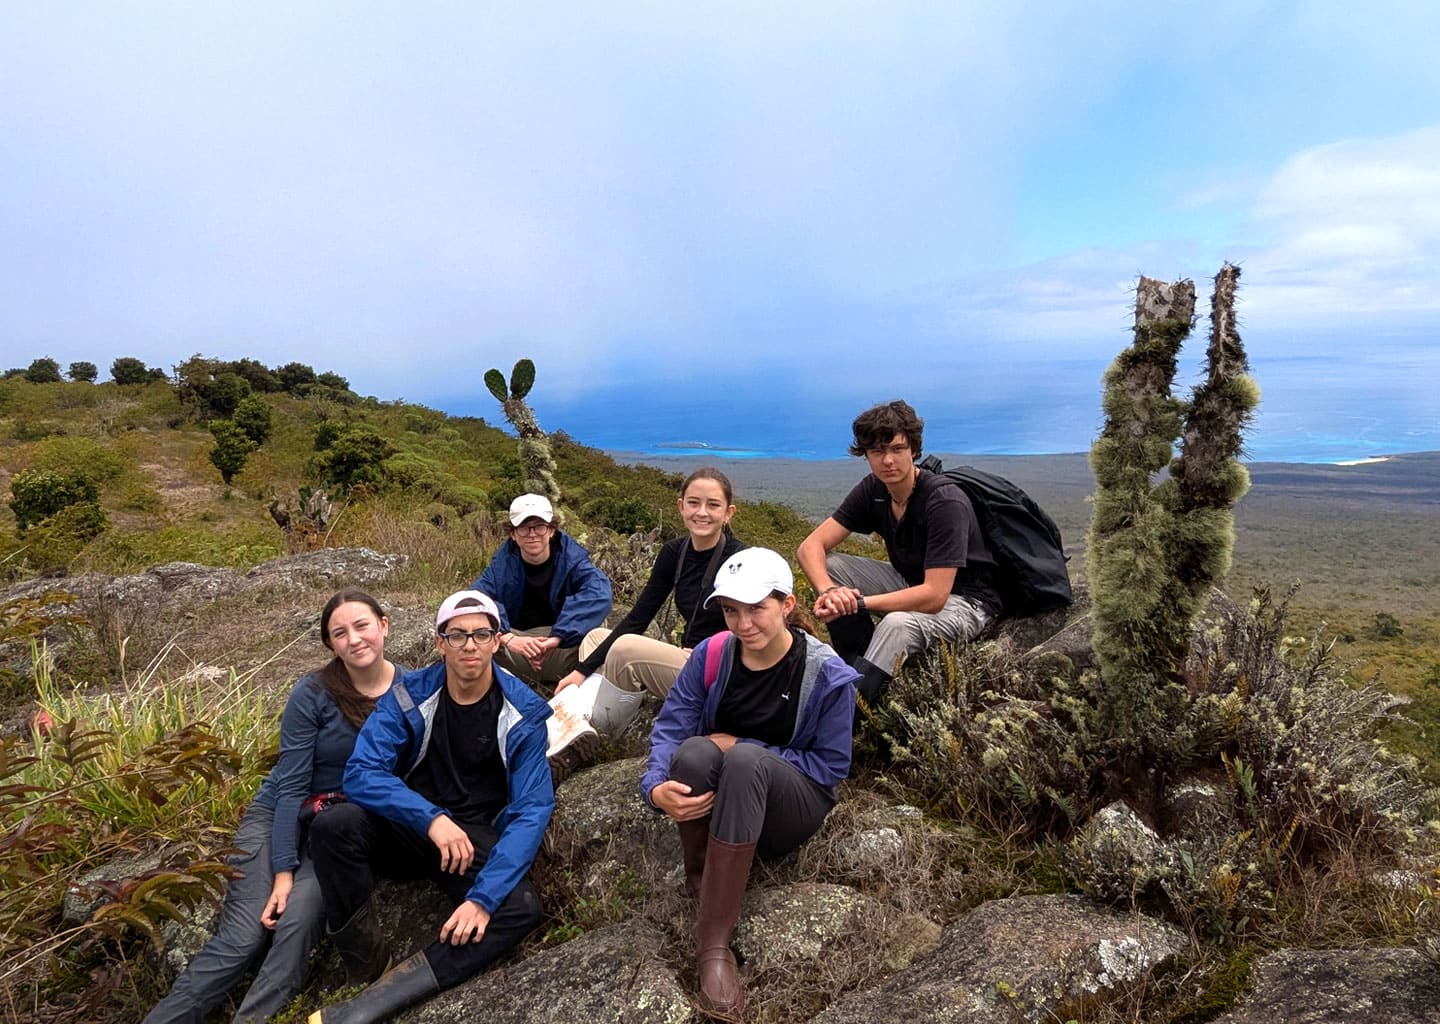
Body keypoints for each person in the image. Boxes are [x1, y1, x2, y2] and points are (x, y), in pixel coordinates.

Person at [145, 590, 399, 1024]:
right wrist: (282, 872)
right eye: (340, 633)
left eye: (361, 626)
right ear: (330, 644)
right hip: (278, 816)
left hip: (335, 829)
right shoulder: (313, 693)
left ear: (384, 625)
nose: (354, 639)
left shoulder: (411, 688)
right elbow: (290, 786)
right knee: (244, 936)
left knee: (297, 927)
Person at [304, 590, 552, 1024]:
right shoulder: (409, 696)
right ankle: (366, 965)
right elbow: (361, 772)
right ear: (440, 643)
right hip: (412, 827)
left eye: (481, 634)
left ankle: (372, 1003)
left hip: (474, 840)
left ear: (498, 640)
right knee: (334, 824)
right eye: (457, 635)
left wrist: (483, 898)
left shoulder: (523, 714)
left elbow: (532, 810)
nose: (470, 645)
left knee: (519, 908)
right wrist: (431, 817)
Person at [641, 548, 856, 1016]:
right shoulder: (713, 654)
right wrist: (656, 787)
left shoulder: (826, 675)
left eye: (757, 608)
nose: (743, 624)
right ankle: (704, 879)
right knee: (695, 752)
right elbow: (673, 727)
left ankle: (713, 945)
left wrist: (742, 745)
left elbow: (830, 768)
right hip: (729, 800)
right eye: (731, 610)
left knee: (742, 758)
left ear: (787, 604)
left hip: (791, 806)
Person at [796, 399, 1002, 703]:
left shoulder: (943, 501)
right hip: (911, 582)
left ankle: (855, 712)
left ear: (914, 450)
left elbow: (934, 596)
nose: (887, 460)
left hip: (967, 602)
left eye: (897, 449)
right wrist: (830, 592)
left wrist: (859, 604)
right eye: (877, 452)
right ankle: (857, 661)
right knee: (830, 565)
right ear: (866, 455)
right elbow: (809, 547)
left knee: (896, 624)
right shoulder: (875, 490)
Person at [549, 468, 745, 757]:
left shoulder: (741, 560)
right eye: (693, 503)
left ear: (728, 513)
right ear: (680, 506)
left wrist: (711, 650)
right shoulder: (674, 553)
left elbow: (754, 627)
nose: (701, 512)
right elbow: (639, 617)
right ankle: (579, 717)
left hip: (720, 669)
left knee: (624, 649)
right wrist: (581, 671)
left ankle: (596, 735)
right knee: (596, 638)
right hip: (689, 660)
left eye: (713, 505)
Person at [473, 493, 612, 689]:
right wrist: (508, 638)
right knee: (469, 630)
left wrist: (557, 638)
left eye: (539, 526)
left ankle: (586, 698)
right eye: (523, 527)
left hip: (563, 650)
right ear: (513, 534)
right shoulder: (501, 567)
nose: (532, 534)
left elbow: (599, 593)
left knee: (599, 631)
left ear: (551, 530)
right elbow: (475, 600)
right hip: (516, 654)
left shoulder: (573, 561)